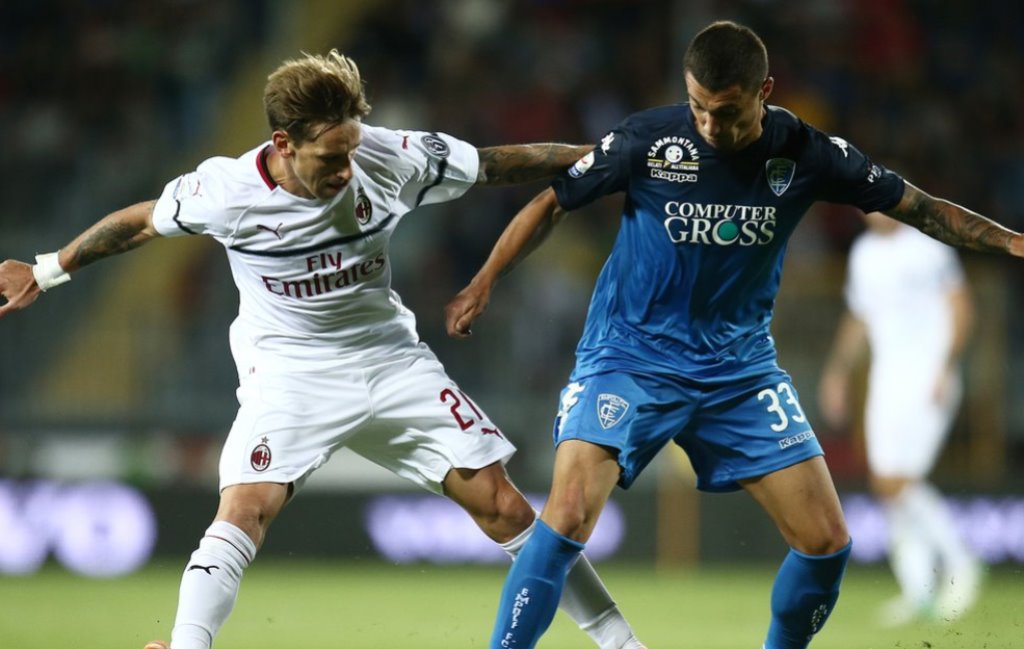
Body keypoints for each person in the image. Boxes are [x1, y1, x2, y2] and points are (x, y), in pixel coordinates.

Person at [0, 51, 647, 649]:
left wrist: (609, 155)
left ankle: (623, 643)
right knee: (245, 508)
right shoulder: (226, 192)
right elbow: (140, 221)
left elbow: (497, 163)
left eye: (350, 151)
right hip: (289, 370)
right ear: (282, 144)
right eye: (330, 158)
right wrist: (47, 268)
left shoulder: (390, 156)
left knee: (505, 506)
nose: (345, 170)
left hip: (389, 359)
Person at [444, 20, 1023, 649]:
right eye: (697, 107)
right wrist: (484, 282)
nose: (709, 125)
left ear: (764, 90)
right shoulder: (648, 138)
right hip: (629, 358)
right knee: (567, 515)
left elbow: (921, 207)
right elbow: (552, 202)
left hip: (739, 370)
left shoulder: (806, 152)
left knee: (827, 543)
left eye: (725, 111)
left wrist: (1012, 241)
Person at [818, 210, 982, 625]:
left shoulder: (928, 247)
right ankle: (918, 589)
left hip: (927, 377)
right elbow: (859, 317)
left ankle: (962, 565)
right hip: (886, 381)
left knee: (898, 481)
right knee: (885, 486)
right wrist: (838, 372)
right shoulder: (864, 253)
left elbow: (961, 306)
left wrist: (946, 365)